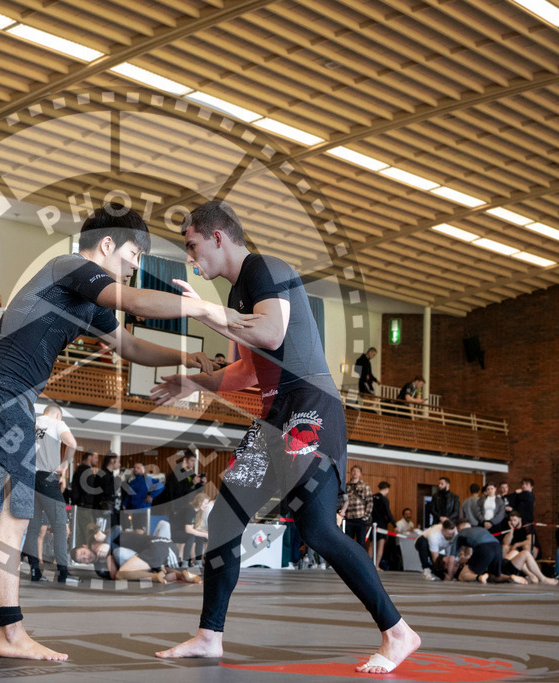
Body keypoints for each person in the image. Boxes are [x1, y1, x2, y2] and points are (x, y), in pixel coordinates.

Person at [0, 203, 247, 661]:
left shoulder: (88, 301)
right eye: (133, 254)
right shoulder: (68, 267)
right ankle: (10, 635)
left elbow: (128, 344)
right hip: (2, 397)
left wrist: (183, 357)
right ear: (107, 245)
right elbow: (135, 301)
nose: (135, 265)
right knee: (14, 513)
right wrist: (205, 308)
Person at [149, 201, 419, 674]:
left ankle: (398, 632)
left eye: (193, 245)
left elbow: (272, 334)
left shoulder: (265, 269)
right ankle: (210, 636)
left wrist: (204, 310)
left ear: (218, 237)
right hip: (274, 417)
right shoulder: (237, 297)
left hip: (310, 407)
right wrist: (194, 381)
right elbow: (246, 372)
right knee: (224, 520)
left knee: (316, 528)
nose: (192, 258)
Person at [23, 404, 76, 583]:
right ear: (58, 415)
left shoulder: (31, 423)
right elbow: (72, 443)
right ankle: (62, 571)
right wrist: (64, 465)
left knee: (33, 527)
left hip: (29, 479)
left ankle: (35, 571)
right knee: (60, 525)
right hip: (47, 478)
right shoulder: (56, 423)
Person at [73, 522, 200, 584]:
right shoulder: (100, 565)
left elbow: (116, 528)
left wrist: (106, 541)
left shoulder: (111, 539)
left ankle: (155, 577)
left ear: (86, 546)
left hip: (157, 548)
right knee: (163, 570)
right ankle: (182, 574)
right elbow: (110, 575)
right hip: (166, 545)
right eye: (82, 560)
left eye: (83, 553)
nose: (85, 557)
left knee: (122, 572)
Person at [455, 523, 526, 585]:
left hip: (484, 552)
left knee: (462, 576)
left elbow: (464, 558)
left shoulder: (462, 536)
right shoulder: (479, 532)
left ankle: (479, 577)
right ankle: (510, 577)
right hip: (497, 546)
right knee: (494, 576)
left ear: (459, 529)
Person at [123, 462, 164, 531]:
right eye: (134, 468)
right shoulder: (132, 482)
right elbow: (129, 495)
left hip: (143, 510)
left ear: (143, 469)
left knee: (141, 530)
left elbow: (161, 486)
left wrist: (151, 496)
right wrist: (125, 504)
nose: (135, 469)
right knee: (135, 529)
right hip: (134, 510)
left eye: (138, 468)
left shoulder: (147, 480)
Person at [342, 466, 373, 547]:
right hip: (349, 518)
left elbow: (369, 502)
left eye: (357, 471)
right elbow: (342, 500)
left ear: (360, 474)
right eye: (353, 471)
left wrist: (366, 516)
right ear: (351, 473)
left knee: (361, 542)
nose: (355, 472)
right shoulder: (346, 486)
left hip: (361, 518)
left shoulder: (365, 486)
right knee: (348, 542)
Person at [370, 481, 396, 568]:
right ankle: (376, 565)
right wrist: (394, 525)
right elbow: (388, 513)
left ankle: (369, 565)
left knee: (371, 545)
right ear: (386, 489)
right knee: (380, 545)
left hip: (373, 523)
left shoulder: (373, 497)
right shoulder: (384, 499)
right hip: (382, 524)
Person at [184, 492, 213, 567]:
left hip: (185, 531)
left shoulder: (197, 511)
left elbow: (195, 528)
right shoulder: (190, 509)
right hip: (177, 531)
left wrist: (204, 533)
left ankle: (199, 562)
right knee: (191, 537)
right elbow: (188, 529)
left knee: (199, 537)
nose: (206, 506)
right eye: (205, 503)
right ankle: (185, 562)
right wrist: (205, 534)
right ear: (200, 502)